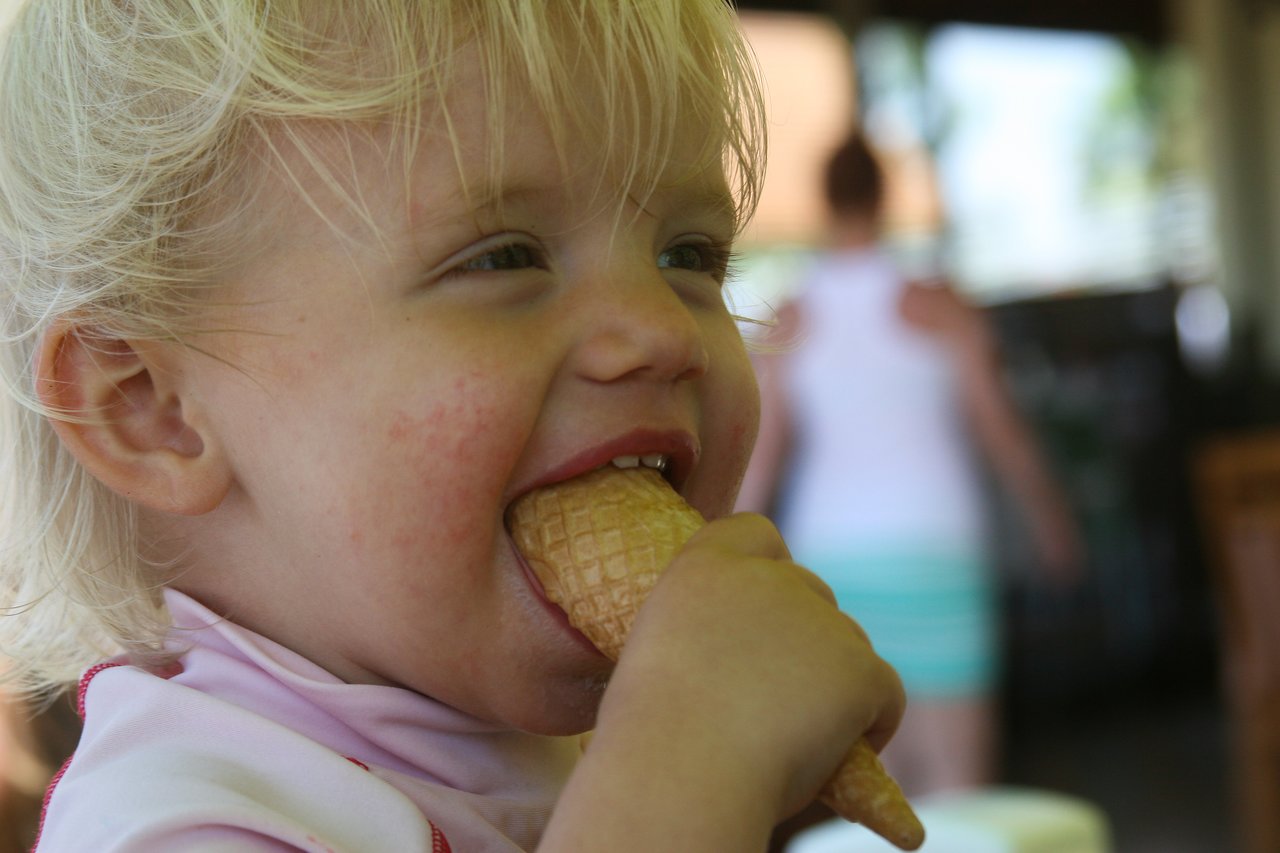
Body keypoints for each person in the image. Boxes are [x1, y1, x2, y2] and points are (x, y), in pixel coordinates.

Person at [0, 2, 909, 850]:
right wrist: (694, 760)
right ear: (151, 412)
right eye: (505, 255)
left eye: (691, 255)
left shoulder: (562, 753)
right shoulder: (179, 820)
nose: (663, 331)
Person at [739, 130, 1082, 799]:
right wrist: (1052, 519)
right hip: (937, 549)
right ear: (885, 193)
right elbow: (1000, 430)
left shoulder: (791, 316)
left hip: (834, 563)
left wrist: (717, 557)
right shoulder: (939, 305)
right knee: (961, 788)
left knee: (875, 800)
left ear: (824, 197)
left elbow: (763, 458)